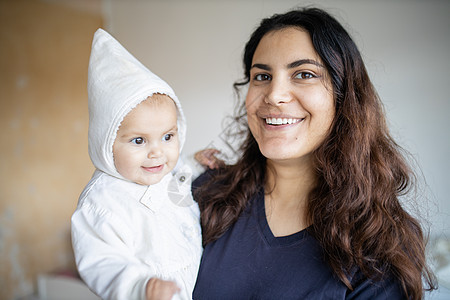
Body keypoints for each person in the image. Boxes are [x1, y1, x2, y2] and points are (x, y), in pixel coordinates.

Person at [192, 7, 437, 300]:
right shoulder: (204, 193)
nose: (274, 95)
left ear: (344, 95)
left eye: (304, 74)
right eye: (262, 76)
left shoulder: (378, 241)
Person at [71, 28, 202, 300]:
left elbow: (180, 185)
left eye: (167, 136)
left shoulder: (166, 173)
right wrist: (139, 286)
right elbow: (102, 261)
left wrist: (198, 163)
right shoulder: (102, 202)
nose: (157, 153)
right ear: (107, 143)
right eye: (139, 141)